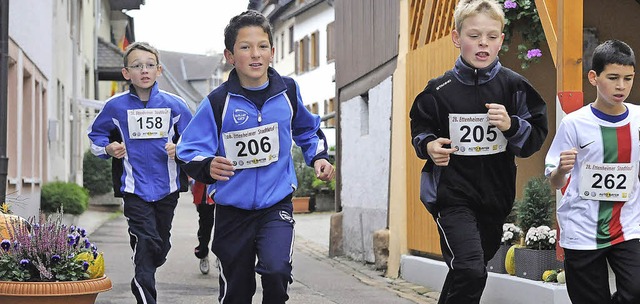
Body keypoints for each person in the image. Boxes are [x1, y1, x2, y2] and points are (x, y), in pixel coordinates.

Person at [176, 10, 335, 303]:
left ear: (272, 52)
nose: (255, 54)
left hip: (275, 205)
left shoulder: (287, 91)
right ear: (230, 55)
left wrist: (318, 157)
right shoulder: (218, 101)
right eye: (245, 47)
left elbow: (307, 130)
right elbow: (189, 149)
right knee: (237, 292)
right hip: (231, 211)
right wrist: (208, 164)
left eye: (262, 46)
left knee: (276, 271)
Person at [408, 0, 548, 303]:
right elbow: (420, 129)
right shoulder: (438, 90)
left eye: (491, 36)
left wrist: (511, 125)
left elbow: (535, 137)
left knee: (469, 268)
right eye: (474, 36)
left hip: (495, 197)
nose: (483, 43)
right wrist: (430, 146)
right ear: (457, 38)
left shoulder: (515, 87)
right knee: (471, 269)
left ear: (501, 39)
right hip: (451, 195)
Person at [87, 41, 193, 304]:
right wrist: (109, 148)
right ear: (126, 73)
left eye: (149, 65)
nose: (144, 71)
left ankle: (145, 268)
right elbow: (95, 137)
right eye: (137, 66)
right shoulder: (115, 106)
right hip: (133, 188)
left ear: (159, 70)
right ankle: (145, 292)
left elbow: (195, 139)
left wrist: (180, 149)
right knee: (145, 241)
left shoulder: (175, 105)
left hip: (167, 188)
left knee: (160, 246)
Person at [545, 39, 640, 304]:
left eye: (628, 78)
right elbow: (554, 180)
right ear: (594, 78)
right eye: (613, 77)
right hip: (582, 229)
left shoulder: (638, 119)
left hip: (628, 227)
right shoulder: (574, 124)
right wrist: (562, 170)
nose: (621, 86)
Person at [190, 179, 215, 275]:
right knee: (205, 224)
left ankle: (222, 256)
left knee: (224, 224)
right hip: (204, 188)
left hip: (227, 186)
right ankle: (203, 253)